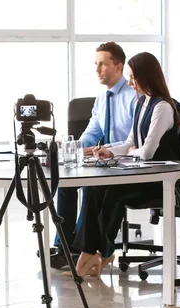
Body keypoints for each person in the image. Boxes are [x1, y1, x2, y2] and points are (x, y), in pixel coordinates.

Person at [67, 52, 180, 278]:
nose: (129, 82)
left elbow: (147, 152)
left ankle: (106, 251)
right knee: (93, 188)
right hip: (139, 171)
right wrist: (110, 150)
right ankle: (88, 252)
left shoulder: (162, 108)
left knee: (114, 194)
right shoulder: (142, 102)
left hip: (157, 178)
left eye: (133, 78)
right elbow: (131, 143)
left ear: (147, 77)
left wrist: (131, 152)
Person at [49, 42, 137, 268]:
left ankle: (81, 248)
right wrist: (73, 146)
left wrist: (105, 148)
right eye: (95, 64)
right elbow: (92, 133)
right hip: (104, 159)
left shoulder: (133, 97)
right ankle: (64, 246)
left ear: (118, 67)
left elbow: (134, 140)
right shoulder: (102, 98)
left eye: (103, 64)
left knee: (90, 185)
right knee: (66, 184)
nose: (97, 70)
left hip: (126, 162)